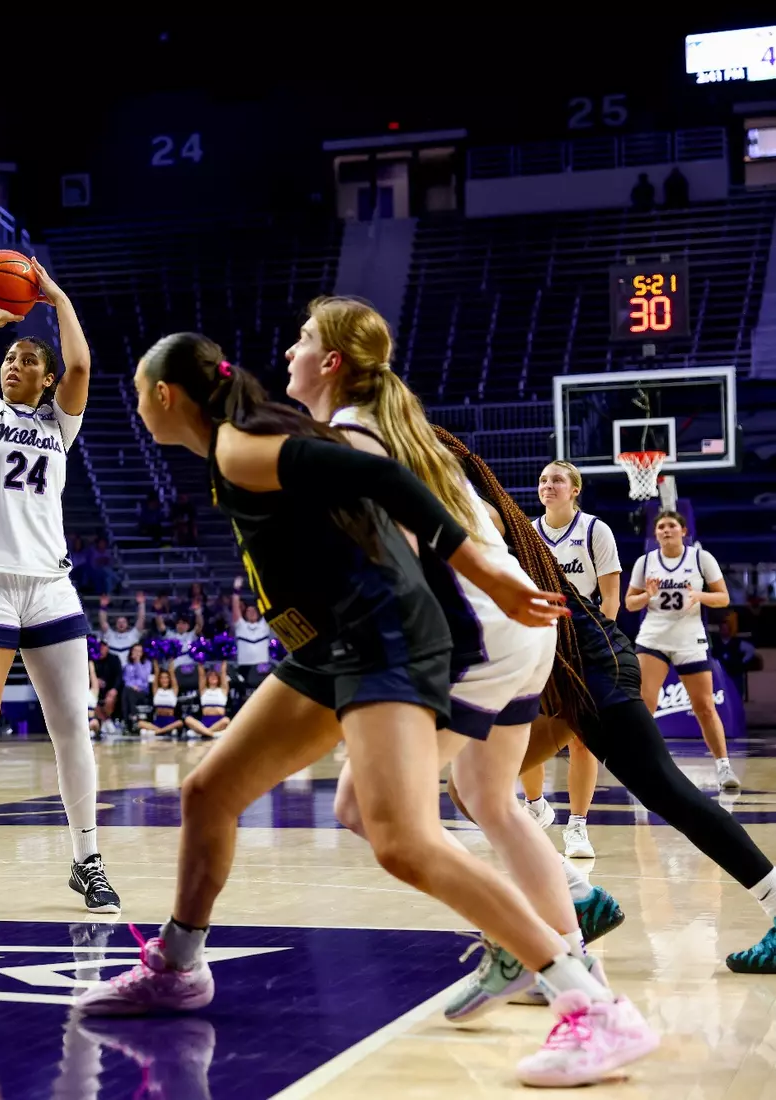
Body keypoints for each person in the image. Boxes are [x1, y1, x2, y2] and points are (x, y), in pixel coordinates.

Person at [76, 332, 655, 1089]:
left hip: (380, 636)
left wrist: (484, 567)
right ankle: (179, 967)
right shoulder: (249, 438)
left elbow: (375, 476)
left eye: (137, 394)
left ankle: (591, 1002)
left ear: (163, 396)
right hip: (325, 642)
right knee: (209, 792)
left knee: (402, 840)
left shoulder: (238, 449)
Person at [287, 296, 598, 1022]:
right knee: (492, 799)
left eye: (302, 340)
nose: (289, 352)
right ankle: (573, 955)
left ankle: (527, 953)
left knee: (365, 808)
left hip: (482, 632)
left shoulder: (345, 440)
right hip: (524, 628)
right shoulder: (403, 426)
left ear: (332, 362)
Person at [437, 430, 776, 976]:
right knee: (474, 788)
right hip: (559, 674)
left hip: (592, 665)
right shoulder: (469, 519)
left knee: (668, 791)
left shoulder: (479, 519)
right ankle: (577, 895)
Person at [0, 259, 119, 919]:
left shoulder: (60, 426)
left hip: (50, 587)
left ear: (45, 378)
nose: (13, 364)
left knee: (73, 728)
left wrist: (57, 296)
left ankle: (87, 861)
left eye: (27, 360)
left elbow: (85, 368)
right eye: (9, 358)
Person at [527, 460, 621, 857]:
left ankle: (578, 827)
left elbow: (611, 597)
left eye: (558, 480)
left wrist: (600, 643)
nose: (549, 486)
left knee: (582, 740)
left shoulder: (595, 530)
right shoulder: (527, 533)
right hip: (536, 643)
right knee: (522, 733)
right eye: (544, 480)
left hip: (583, 643)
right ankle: (535, 808)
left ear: (575, 489)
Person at [626, 510, 733, 787]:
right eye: (661, 526)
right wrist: (647, 595)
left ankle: (723, 767)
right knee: (644, 705)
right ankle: (643, 765)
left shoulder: (700, 558)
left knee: (704, 707)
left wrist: (698, 595)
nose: (666, 530)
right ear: (656, 533)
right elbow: (629, 603)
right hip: (653, 639)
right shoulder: (645, 561)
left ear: (683, 531)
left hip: (689, 639)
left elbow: (723, 598)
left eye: (672, 525)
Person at [183, 666, 231, 739]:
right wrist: (200, 660)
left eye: (215, 675)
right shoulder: (203, 690)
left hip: (219, 722)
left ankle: (203, 733)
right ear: (207, 678)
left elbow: (223, 673)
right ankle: (211, 734)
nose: (213, 677)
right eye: (210, 675)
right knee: (188, 719)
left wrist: (224, 658)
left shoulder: (223, 690)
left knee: (226, 720)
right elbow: (201, 675)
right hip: (204, 721)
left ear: (219, 678)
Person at [137, 667, 183, 737]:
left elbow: (172, 673)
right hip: (158, 721)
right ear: (159, 680)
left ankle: (157, 732)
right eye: (162, 678)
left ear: (169, 679)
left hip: (170, 721)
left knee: (180, 723)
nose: (164, 680)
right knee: (140, 723)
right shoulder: (156, 690)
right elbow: (156, 671)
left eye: (166, 678)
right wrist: (155, 659)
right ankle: (163, 731)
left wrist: (171, 661)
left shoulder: (173, 691)